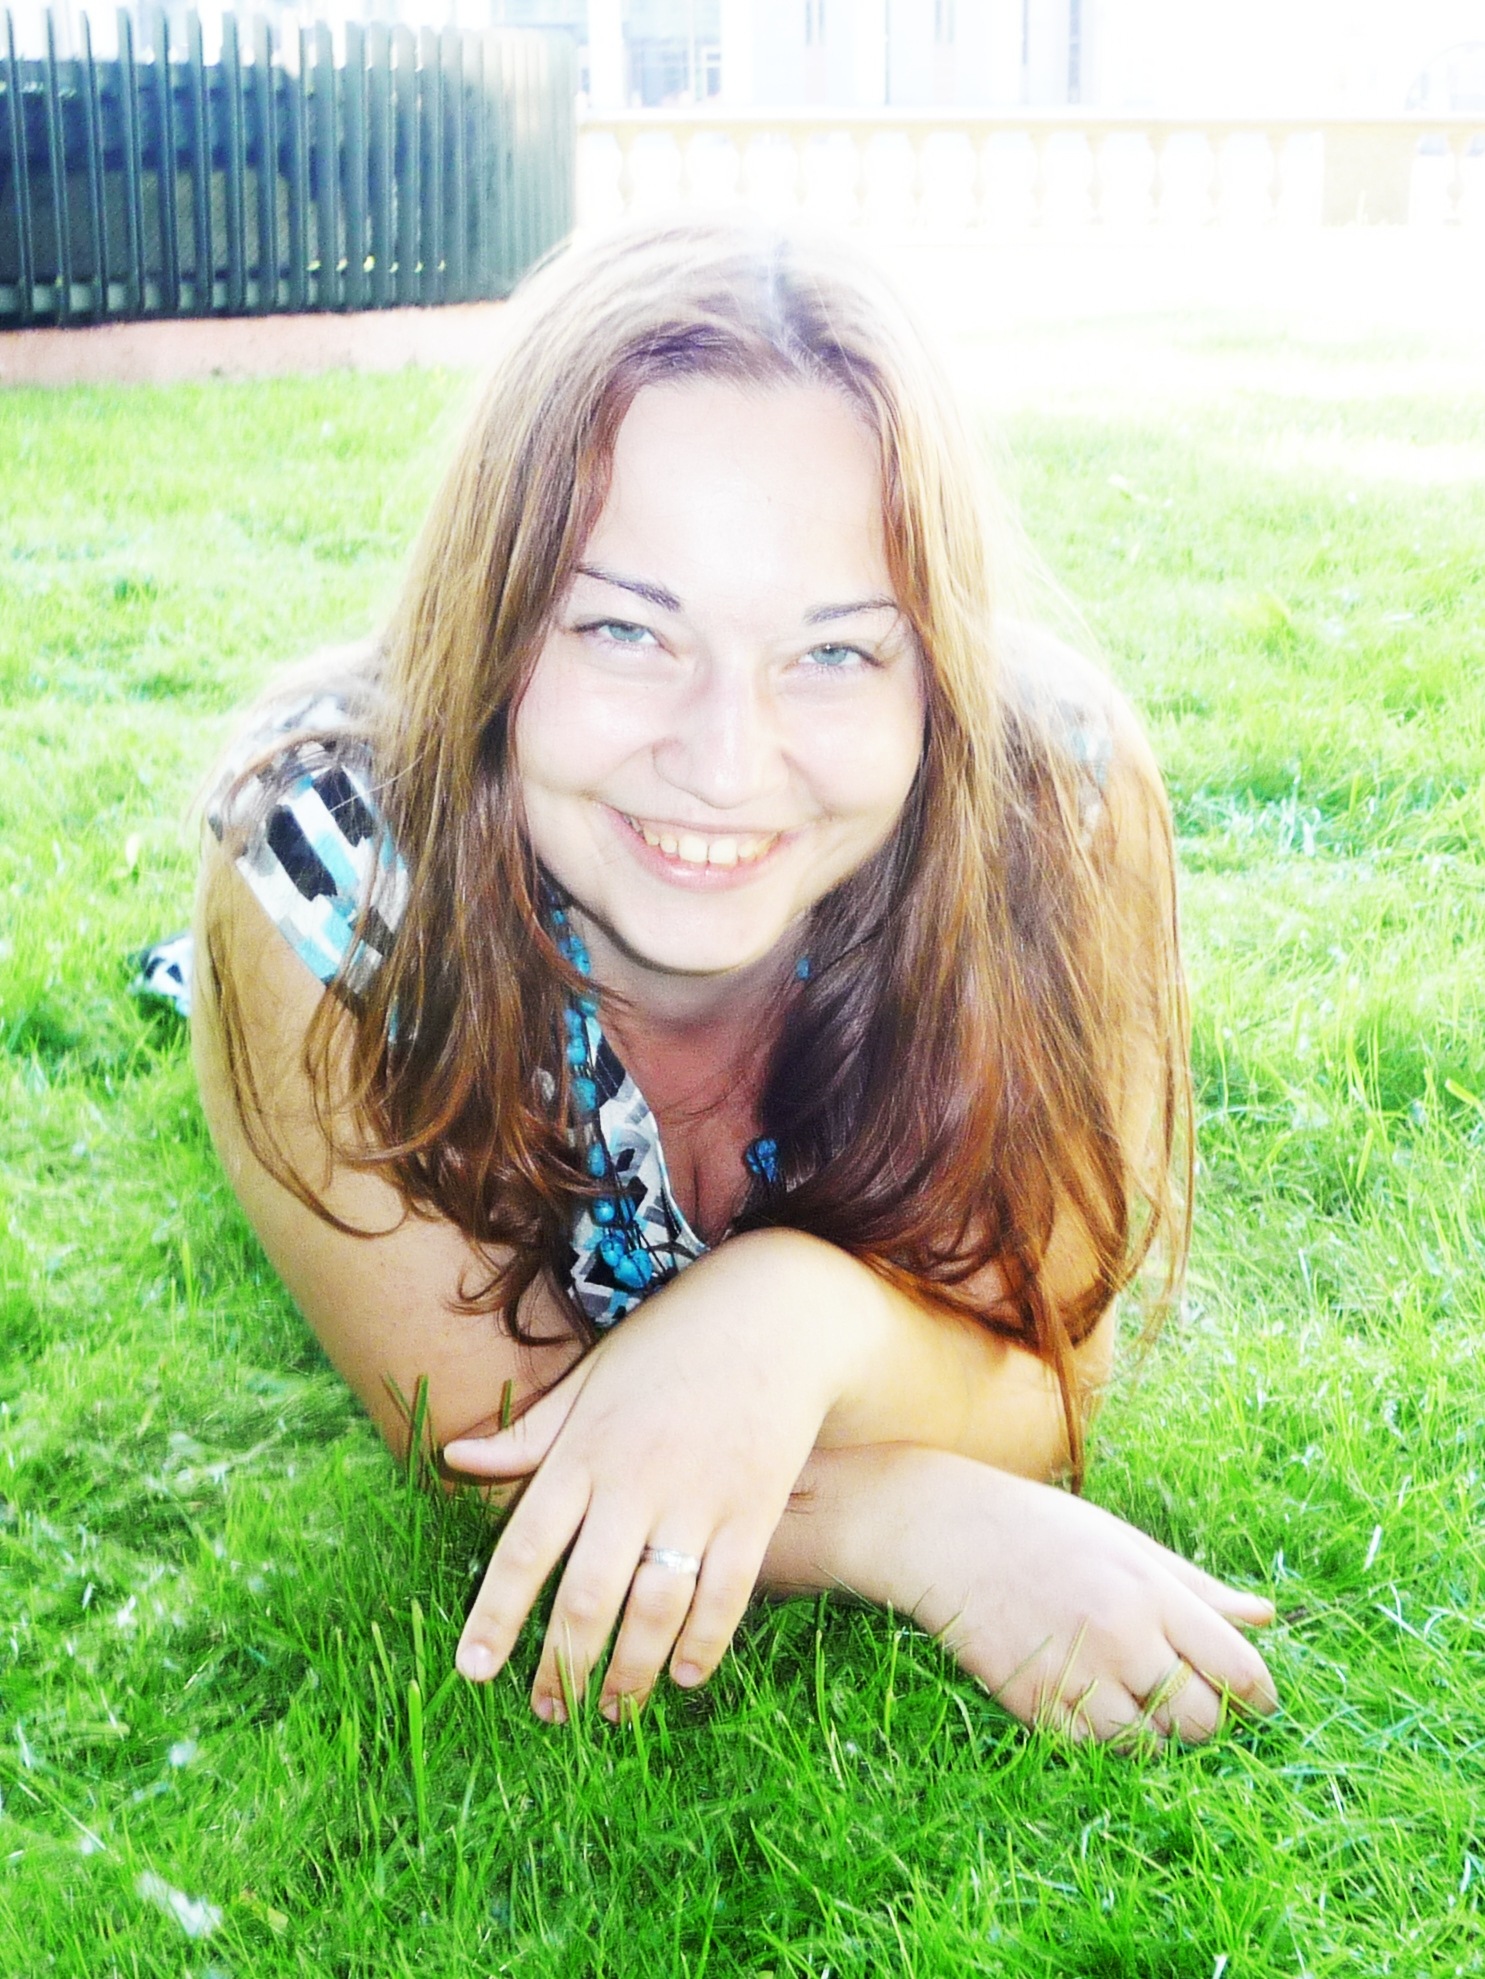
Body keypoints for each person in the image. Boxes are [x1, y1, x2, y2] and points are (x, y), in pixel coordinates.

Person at [192, 220, 1277, 1745]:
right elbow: (491, 1442)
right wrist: (900, 1521)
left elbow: (1055, 1347)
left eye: (833, 655)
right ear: (493, 617)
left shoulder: (1052, 796)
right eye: (624, 629)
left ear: (931, 664)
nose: (722, 762)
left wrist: (793, 1320)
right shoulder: (331, 860)